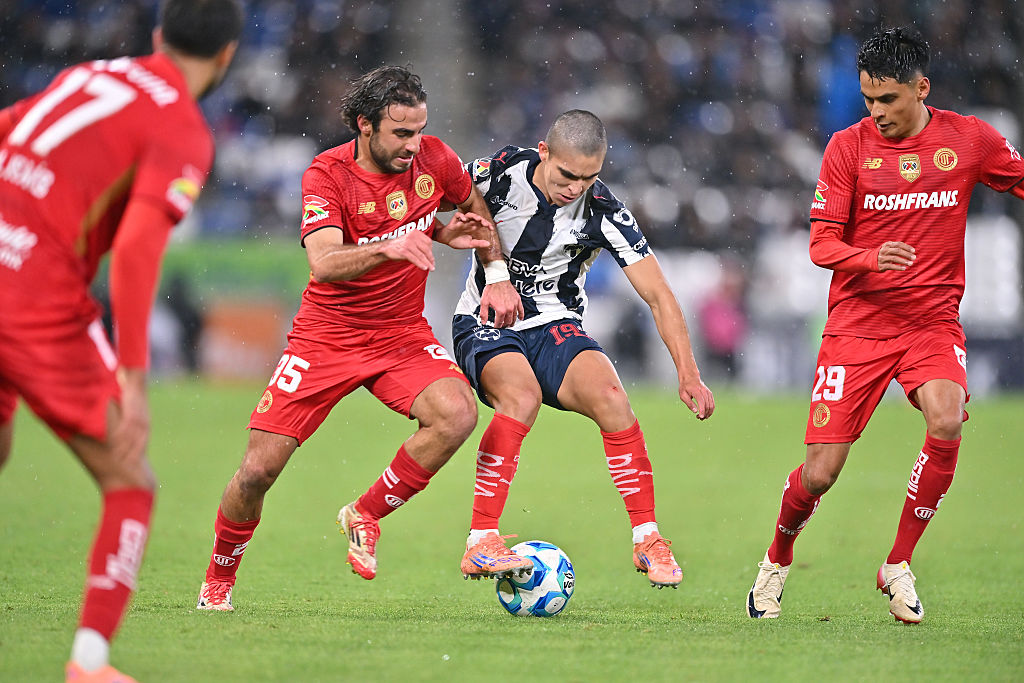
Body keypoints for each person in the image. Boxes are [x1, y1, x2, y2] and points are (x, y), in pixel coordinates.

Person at [196, 65, 522, 611]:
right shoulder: (325, 175)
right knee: (257, 471)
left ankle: (365, 514)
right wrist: (389, 247)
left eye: (419, 131)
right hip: (325, 338)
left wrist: (491, 268)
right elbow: (324, 263)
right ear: (363, 126)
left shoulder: (434, 160)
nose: (414, 146)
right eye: (401, 133)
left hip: (399, 334)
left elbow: (473, 207)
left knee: (458, 413)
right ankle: (218, 578)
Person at [746, 27, 1024, 623]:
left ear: (922, 89)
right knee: (820, 475)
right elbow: (821, 245)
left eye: (889, 100)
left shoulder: (970, 140)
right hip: (856, 327)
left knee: (947, 418)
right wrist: (871, 256)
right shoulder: (847, 148)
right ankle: (776, 562)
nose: (877, 113)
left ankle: (897, 562)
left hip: (931, 324)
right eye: (868, 100)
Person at [0, 1, 241, 680]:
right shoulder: (183, 129)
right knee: (131, 479)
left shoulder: (88, 75)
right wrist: (133, 379)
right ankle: (90, 662)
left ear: (159, 37)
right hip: (34, 298)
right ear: (226, 58)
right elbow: (136, 252)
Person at [451, 110, 715, 589]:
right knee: (522, 398)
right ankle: (480, 541)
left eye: (588, 177)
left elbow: (659, 295)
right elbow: (441, 188)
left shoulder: (606, 212)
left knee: (614, 400)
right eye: (566, 175)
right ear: (544, 152)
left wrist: (688, 373)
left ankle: (647, 538)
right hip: (485, 319)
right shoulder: (501, 171)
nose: (575, 188)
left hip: (554, 324)